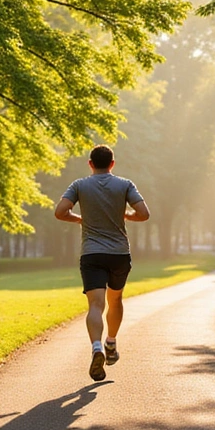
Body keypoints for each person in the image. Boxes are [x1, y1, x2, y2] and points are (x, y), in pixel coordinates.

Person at [54, 144, 150, 381]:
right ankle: (111, 343)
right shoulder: (125, 184)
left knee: (95, 305)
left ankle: (96, 346)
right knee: (115, 299)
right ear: (112, 163)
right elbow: (144, 214)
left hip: (92, 254)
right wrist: (125, 214)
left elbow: (60, 212)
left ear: (90, 163)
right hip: (119, 253)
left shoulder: (79, 185)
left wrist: (80, 219)